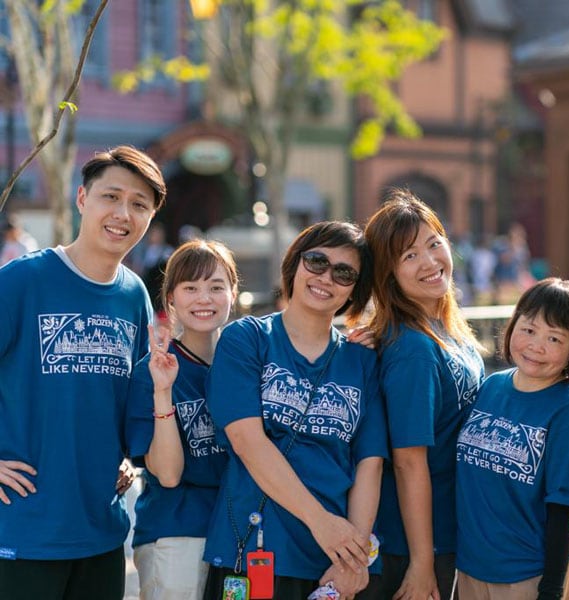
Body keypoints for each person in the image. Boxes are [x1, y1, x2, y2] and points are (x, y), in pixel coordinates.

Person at [0, 146, 166, 599]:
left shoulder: (134, 297)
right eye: (110, 197)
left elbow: (129, 407)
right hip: (22, 532)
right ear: (81, 199)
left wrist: (127, 458)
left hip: (102, 535)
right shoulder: (20, 282)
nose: (122, 214)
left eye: (139, 204)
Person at [202, 221, 386, 600]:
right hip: (254, 551)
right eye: (316, 261)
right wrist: (322, 523)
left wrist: (354, 561)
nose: (326, 277)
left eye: (344, 272)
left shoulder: (363, 361)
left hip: (334, 563)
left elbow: (370, 462)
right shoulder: (247, 339)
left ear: (356, 289)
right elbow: (247, 441)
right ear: (295, 264)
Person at [358, 190, 485, 600]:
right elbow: (410, 463)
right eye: (408, 256)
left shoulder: (448, 329)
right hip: (408, 545)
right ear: (387, 273)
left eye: (434, 243)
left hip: (450, 529)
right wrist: (422, 562)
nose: (430, 262)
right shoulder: (412, 348)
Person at [455, 278, 569, 600]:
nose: (536, 346)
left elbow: (563, 507)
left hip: (529, 576)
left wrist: (551, 589)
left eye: (554, 338)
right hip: (472, 568)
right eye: (529, 330)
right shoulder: (491, 387)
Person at [126, 240, 238, 600]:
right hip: (177, 533)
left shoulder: (248, 364)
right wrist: (164, 392)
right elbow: (169, 474)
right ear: (171, 297)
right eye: (191, 288)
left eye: (216, 287)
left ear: (233, 294)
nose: (204, 298)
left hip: (241, 533)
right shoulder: (153, 371)